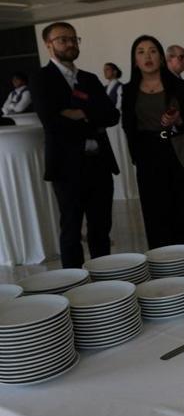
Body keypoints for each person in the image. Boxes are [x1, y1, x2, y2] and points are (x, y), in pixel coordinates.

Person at [31, 22, 120, 268]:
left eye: (73, 39)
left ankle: (104, 277)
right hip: (67, 166)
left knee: (101, 227)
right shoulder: (41, 79)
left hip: (99, 163)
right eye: (63, 39)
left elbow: (112, 116)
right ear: (48, 45)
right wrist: (93, 116)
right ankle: (75, 283)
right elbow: (52, 122)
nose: (70, 44)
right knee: (71, 228)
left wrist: (79, 113)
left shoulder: (89, 79)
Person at [122, 35, 184, 252]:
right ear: (135, 60)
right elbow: (128, 126)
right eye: (141, 52)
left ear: (161, 57)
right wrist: (137, 157)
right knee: (156, 212)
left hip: (180, 152)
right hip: (148, 157)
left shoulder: (179, 87)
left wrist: (179, 121)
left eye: (152, 51)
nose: (147, 56)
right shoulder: (129, 91)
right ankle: (163, 263)